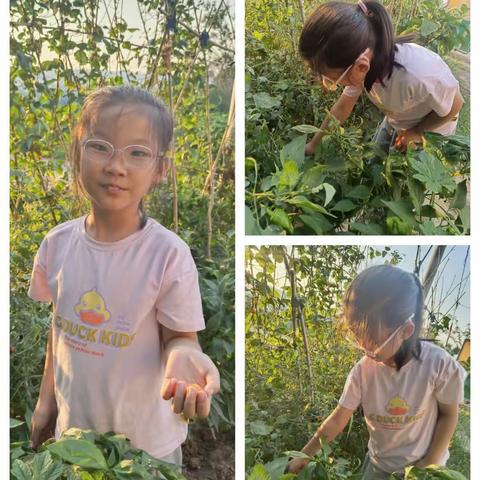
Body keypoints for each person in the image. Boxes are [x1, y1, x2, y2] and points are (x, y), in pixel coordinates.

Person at [28, 86, 220, 467]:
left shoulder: (168, 255)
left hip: (146, 453)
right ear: (78, 151)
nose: (116, 166)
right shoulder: (57, 244)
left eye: (137, 153)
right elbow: (60, 329)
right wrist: (45, 403)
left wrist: (184, 357)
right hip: (75, 442)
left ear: (160, 169)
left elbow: (181, 337)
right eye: (100, 146)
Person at [288, 265, 466, 479]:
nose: (363, 346)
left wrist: (427, 466)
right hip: (378, 466)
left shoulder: (439, 365)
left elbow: (448, 415)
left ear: (406, 331)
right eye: (356, 335)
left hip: (424, 467)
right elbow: (337, 419)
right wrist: (304, 455)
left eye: (372, 339)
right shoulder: (362, 372)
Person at [299, 0, 464, 158]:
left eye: (331, 80)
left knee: (408, 178)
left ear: (360, 66)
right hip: (399, 118)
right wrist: (313, 145)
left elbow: (455, 105)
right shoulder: (364, 61)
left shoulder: (418, 74)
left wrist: (417, 131)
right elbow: (342, 108)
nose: (328, 85)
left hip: (432, 130)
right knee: (376, 162)